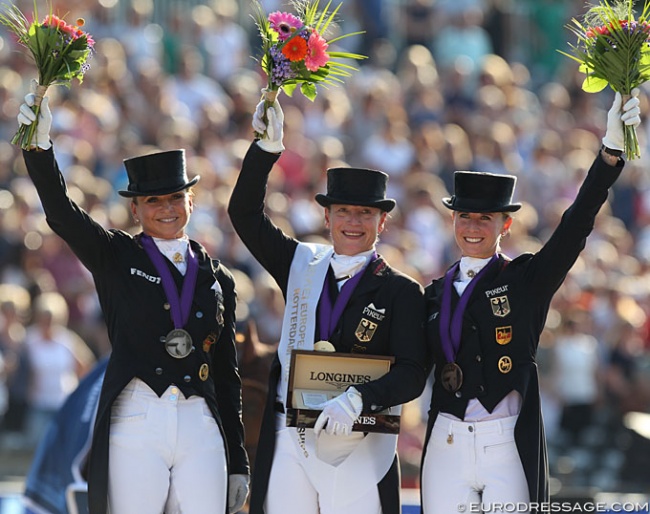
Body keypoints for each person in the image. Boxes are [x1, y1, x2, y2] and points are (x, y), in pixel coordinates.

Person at [16, 92, 249, 514]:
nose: (167, 209)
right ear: (136, 209)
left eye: (176, 198)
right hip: (137, 416)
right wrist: (40, 146)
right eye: (154, 201)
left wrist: (239, 460)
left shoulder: (218, 276)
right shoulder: (115, 256)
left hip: (200, 421)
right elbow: (62, 214)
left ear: (191, 202)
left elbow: (227, 375)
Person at [420, 90, 642, 513]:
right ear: (452, 220)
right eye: (464, 217)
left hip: (505, 441)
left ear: (505, 224)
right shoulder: (433, 293)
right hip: (446, 440)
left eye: (484, 219)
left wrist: (609, 156)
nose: (472, 227)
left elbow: (574, 227)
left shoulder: (524, 280)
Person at [228, 97, 428, 514]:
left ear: (382, 221)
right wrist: (267, 149)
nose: (353, 222)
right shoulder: (301, 264)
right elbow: (243, 213)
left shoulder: (401, 291)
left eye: (364, 214)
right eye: (343, 212)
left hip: (357, 436)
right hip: (289, 435)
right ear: (327, 217)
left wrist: (359, 397)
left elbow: (412, 374)